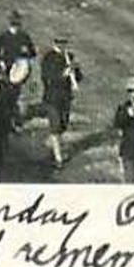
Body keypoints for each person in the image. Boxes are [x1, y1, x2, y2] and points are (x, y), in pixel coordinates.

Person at [39, 36, 84, 170]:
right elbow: (48, 78)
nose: (62, 45)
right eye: (59, 43)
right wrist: (64, 74)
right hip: (52, 97)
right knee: (56, 126)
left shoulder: (69, 57)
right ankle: (58, 159)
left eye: (64, 43)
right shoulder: (48, 58)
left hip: (65, 98)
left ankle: (53, 145)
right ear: (54, 43)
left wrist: (75, 72)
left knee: (63, 125)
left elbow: (79, 77)